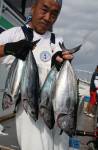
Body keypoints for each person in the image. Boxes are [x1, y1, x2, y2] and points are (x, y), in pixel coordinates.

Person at [0, 0, 74, 150]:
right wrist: (9, 48)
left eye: (54, 14)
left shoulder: (57, 40)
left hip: (57, 110)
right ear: (33, 8)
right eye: (44, 10)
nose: (47, 18)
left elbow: (62, 79)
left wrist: (61, 64)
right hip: (30, 112)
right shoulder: (14, 34)